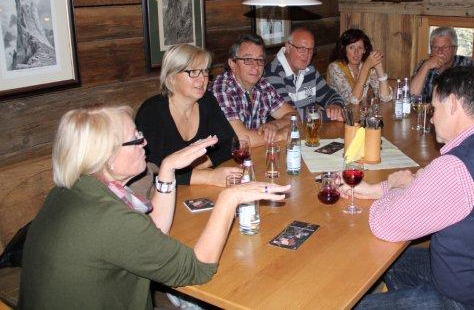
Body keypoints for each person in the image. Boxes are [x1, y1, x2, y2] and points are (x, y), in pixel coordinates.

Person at [19, 105, 290, 309]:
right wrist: (229, 199)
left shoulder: (73, 189)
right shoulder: (109, 218)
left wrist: (168, 169)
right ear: (107, 156)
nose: (144, 142)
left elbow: (153, 231)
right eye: (135, 139)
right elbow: (197, 270)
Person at [338, 66, 474, 308]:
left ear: (452, 103)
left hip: (468, 299)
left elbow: (384, 224)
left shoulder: (457, 167)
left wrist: (395, 185)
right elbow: (430, 185)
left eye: (434, 108)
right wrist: (378, 189)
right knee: (387, 260)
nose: (431, 118)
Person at [136, 44, 240, 187]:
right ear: (171, 77)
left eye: (204, 71)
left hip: (196, 188)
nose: (202, 79)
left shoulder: (207, 100)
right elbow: (152, 170)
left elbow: (231, 143)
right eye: (193, 72)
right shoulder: (151, 112)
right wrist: (208, 176)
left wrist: (201, 164)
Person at [210, 34, 297, 147]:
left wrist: (276, 125)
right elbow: (241, 139)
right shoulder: (222, 89)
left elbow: (294, 116)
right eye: (248, 60)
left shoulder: (263, 85)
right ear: (232, 63)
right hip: (226, 156)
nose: (256, 66)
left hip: (257, 152)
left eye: (260, 60)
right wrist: (281, 135)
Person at [264, 27, 344, 120]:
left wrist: (335, 106)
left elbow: (332, 96)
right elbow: (290, 115)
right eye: (302, 49)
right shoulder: (272, 74)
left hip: (309, 128)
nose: (307, 55)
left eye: (311, 50)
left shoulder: (310, 71)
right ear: (288, 47)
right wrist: (327, 115)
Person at [326, 28, 392, 105]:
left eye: (360, 48)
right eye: (351, 47)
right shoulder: (335, 67)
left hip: (359, 111)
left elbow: (386, 98)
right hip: (340, 111)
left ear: (364, 50)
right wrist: (366, 68)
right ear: (344, 49)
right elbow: (353, 101)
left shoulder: (365, 66)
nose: (356, 52)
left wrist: (379, 67)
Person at [409, 26, 474, 100]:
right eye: (435, 47)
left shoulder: (466, 64)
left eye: (445, 47)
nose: (440, 51)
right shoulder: (424, 64)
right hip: (427, 107)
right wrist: (426, 66)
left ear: (455, 49)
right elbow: (412, 96)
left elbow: (473, 98)